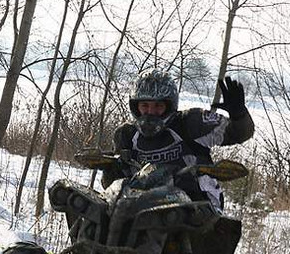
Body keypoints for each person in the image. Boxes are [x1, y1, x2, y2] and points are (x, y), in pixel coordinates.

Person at [101, 68, 254, 212]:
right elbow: (114, 184)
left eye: (158, 105)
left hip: (198, 206)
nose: (150, 112)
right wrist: (110, 169)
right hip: (142, 208)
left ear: (170, 105)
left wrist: (239, 115)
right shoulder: (126, 135)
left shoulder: (192, 123)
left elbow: (239, 133)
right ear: (136, 106)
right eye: (145, 105)